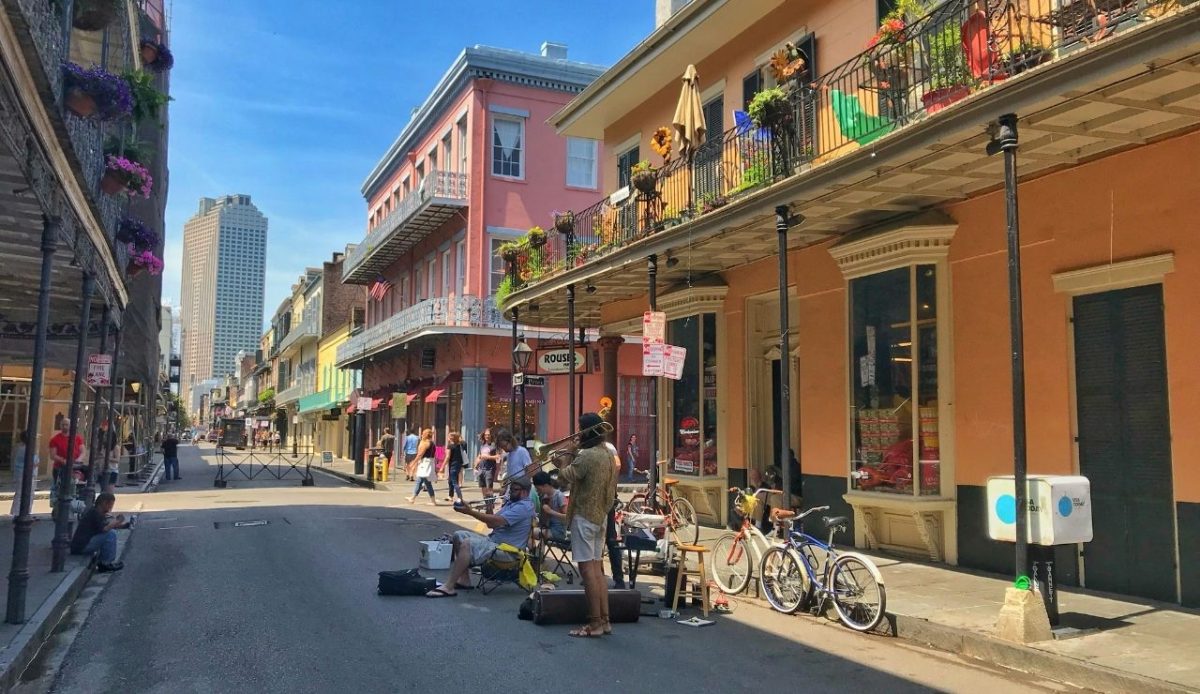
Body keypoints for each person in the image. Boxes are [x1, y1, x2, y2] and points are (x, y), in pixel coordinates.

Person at [556, 412, 618, 637]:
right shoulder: (608, 454)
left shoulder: (586, 456)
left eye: (580, 428)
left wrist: (567, 454)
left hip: (584, 516)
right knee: (598, 570)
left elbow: (564, 477)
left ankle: (594, 623)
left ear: (587, 431)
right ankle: (605, 620)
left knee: (587, 571)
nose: (578, 433)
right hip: (601, 515)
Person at [427, 478, 535, 598]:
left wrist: (470, 512)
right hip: (494, 542)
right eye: (511, 489)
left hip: (509, 551)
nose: (511, 492)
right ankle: (464, 580)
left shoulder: (524, 507)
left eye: (515, 490)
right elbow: (491, 524)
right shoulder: (512, 503)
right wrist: (489, 506)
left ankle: (449, 586)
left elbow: (497, 521)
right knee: (459, 535)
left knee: (468, 543)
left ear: (524, 492)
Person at [69, 492, 128, 572]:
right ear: (104, 503)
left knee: (110, 533)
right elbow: (105, 529)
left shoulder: (97, 512)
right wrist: (117, 521)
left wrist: (123, 525)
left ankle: (104, 561)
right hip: (82, 546)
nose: (111, 507)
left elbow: (106, 525)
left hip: (83, 545)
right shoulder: (95, 513)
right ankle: (105, 563)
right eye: (110, 504)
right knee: (110, 534)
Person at [603, 437, 627, 590]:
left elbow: (617, 465)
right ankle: (597, 576)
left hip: (606, 497)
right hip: (596, 499)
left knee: (610, 540)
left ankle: (618, 578)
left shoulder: (607, 447)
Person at [49, 418, 85, 492]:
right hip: (60, 468)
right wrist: (63, 460)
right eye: (63, 425)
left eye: (67, 425)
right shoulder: (55, 439)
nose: (65, 427)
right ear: (60, 426)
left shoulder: (78, 438)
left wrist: (78, 460)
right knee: (59, 489)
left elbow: (83, 451)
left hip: (75, 467)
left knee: (74, 488)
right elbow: (53, 455)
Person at [406, 428, 439, 505]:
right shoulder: (432, 443)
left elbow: (420, 454)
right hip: (429, 462)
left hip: (425, 463)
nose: (421, 435)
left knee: (420, 481)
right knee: (426, 483)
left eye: (423, 433)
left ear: (425, 435)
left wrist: (413, 463)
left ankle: (413, 498)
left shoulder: (425, 443)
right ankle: (432, 500)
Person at [532, 471, 567, 541]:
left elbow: (567, 517)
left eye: (539, 489)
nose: (538, 491)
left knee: (529, 533)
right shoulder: (544, 496)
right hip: (547, 528)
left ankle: (533, 549)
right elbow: (544, 521)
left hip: (558, 531)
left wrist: (551, 511)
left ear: (545, 485)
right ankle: (537, 551)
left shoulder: (559, 496)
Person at [475, 429, 501, 513]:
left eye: (488, 434)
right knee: (483, 488)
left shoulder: (494, 445)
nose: (487, 436)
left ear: (491, 435)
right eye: (486, 435)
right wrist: (475, 464)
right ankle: (487, 504)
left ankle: (490, 506)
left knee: (489, 488)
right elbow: (479, 456)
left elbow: (498, 457)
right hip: (481, 469)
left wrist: (487, 457)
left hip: (489, 469)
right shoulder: (483, 445)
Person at [9, 432, 35, 517]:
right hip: (25, 474)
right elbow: (34, 462)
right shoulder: (26, 449)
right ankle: (23, 512)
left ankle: (15, 512)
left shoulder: (18, 447)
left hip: (19, 473)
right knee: (28, 494)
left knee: (19, 493)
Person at [443, 432, 467, 504]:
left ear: (451, 438)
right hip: (458, 465)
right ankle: (450, 496)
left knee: (454, 482)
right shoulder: (459, 445)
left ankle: (460, 497)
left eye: (449, 436)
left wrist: (442, 466)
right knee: (451, 481)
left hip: (453, 465)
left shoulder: (450, 446)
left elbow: (447, 457)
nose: (448, 437)